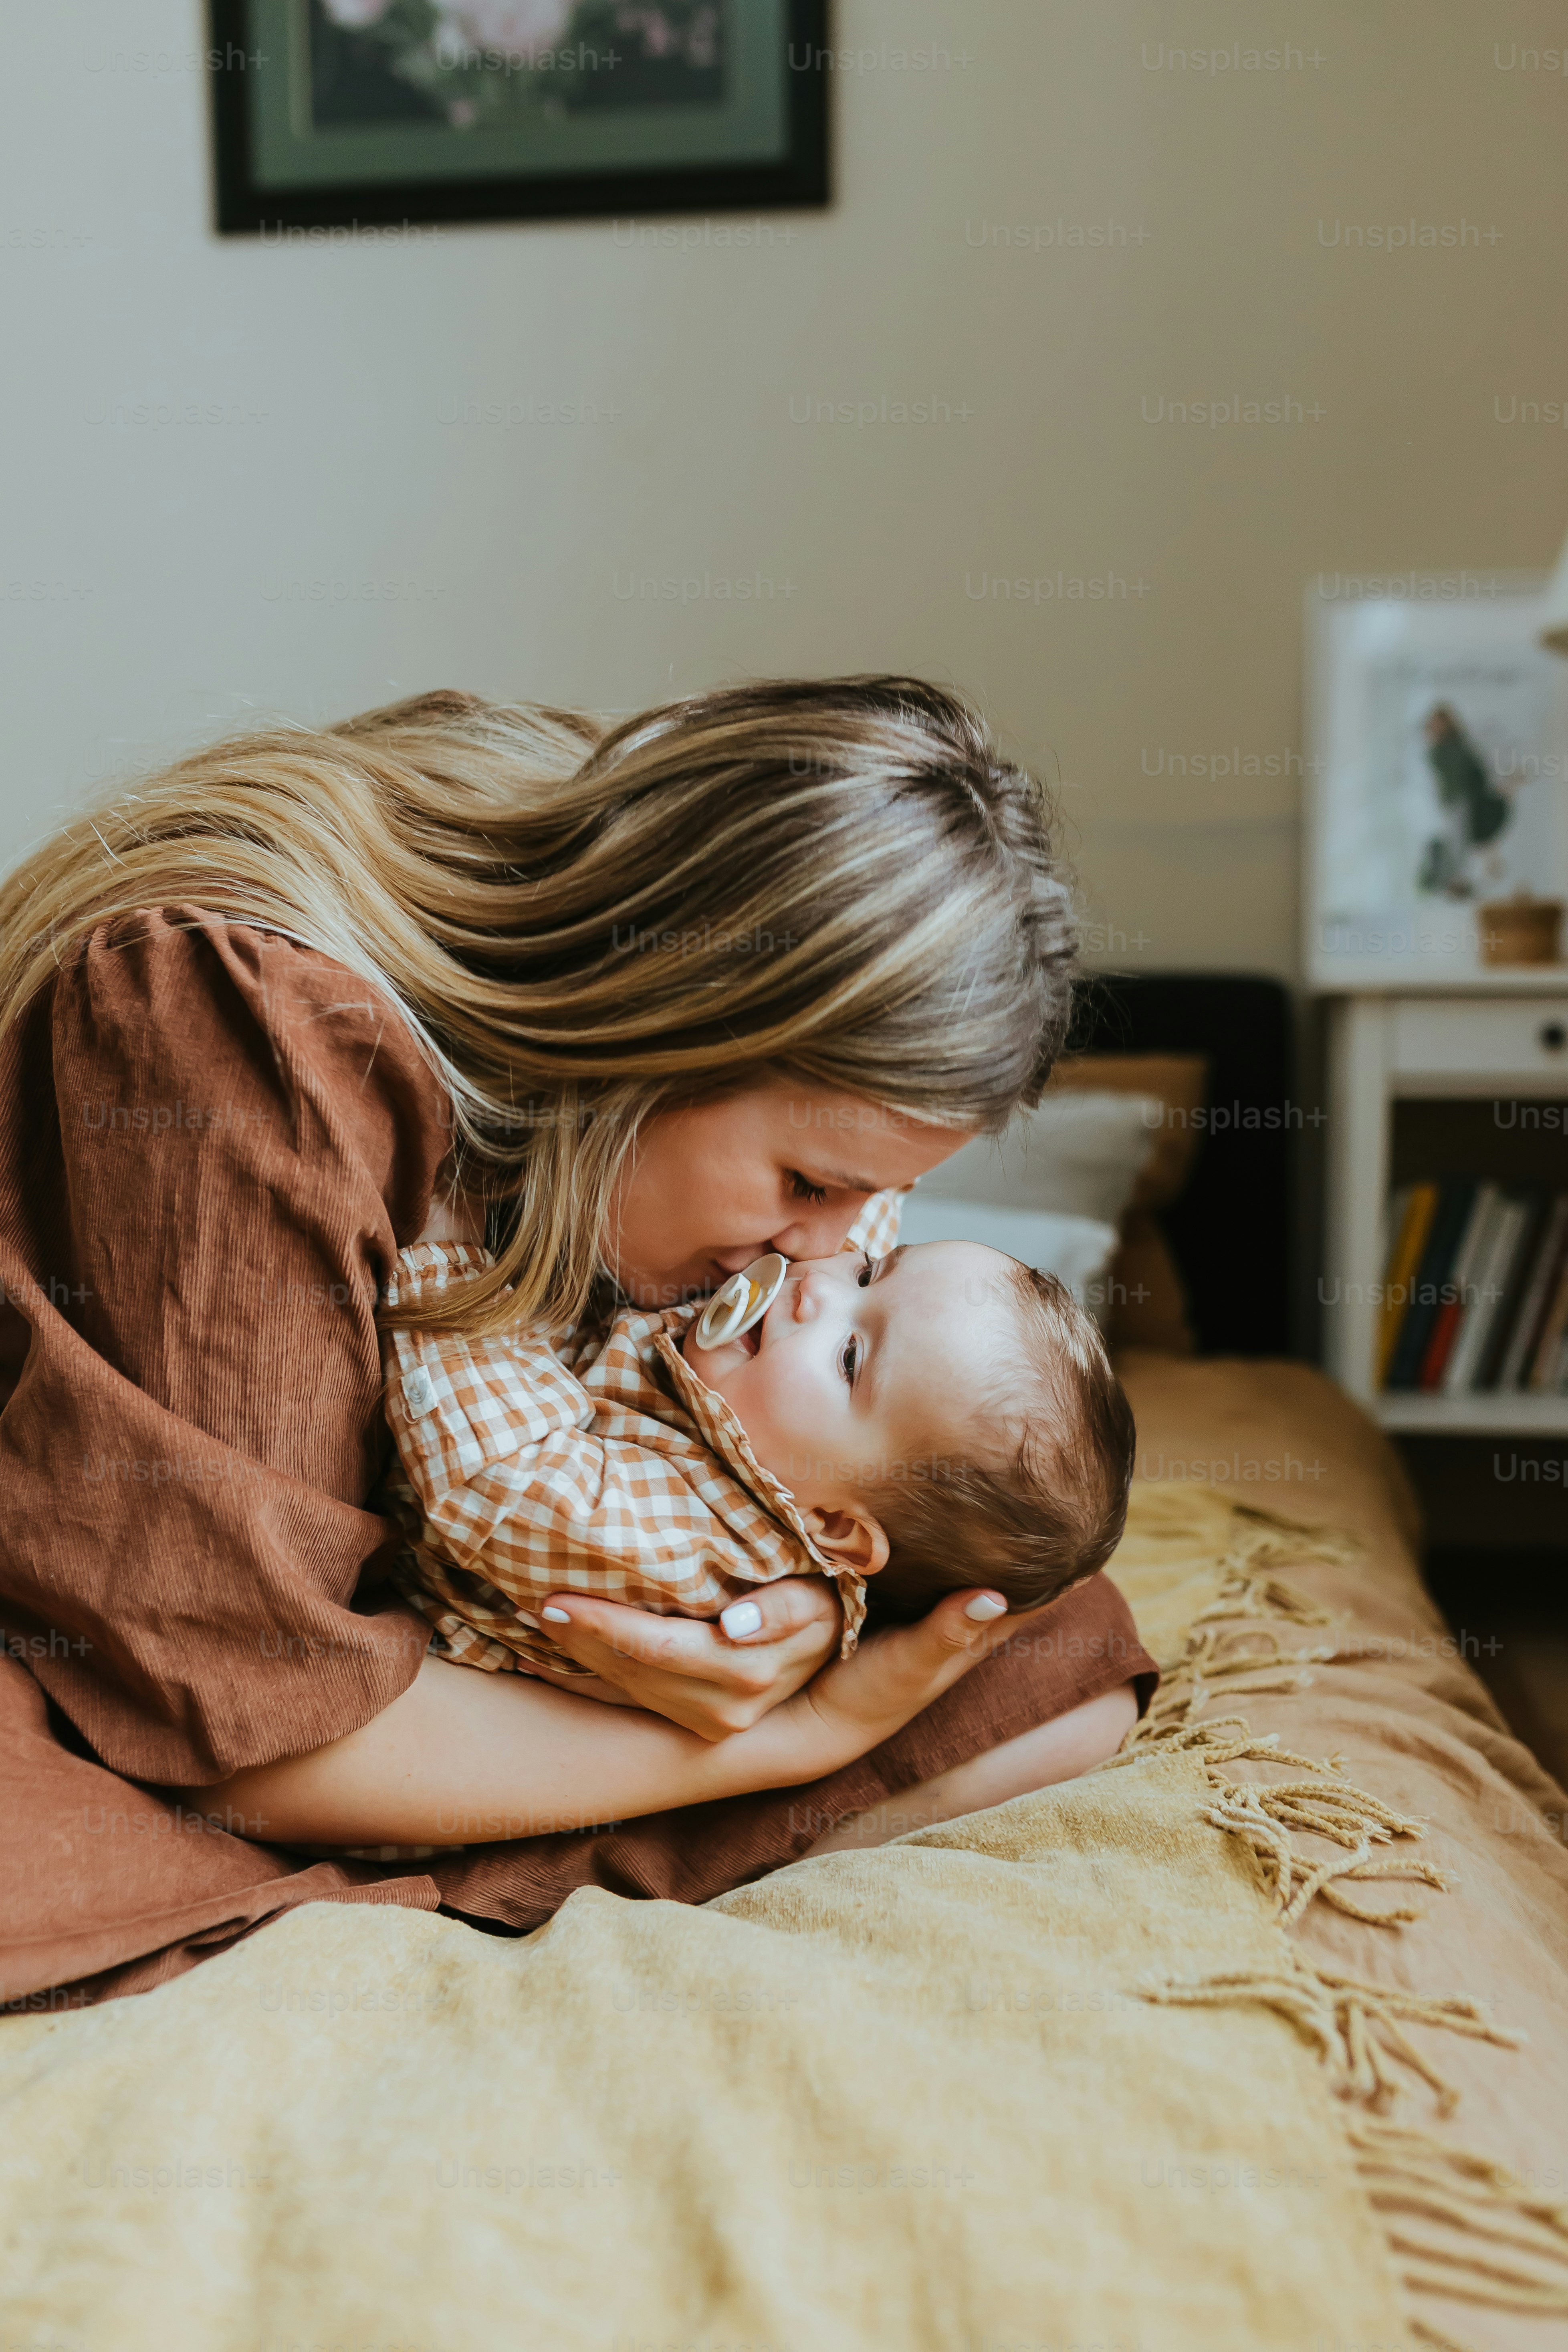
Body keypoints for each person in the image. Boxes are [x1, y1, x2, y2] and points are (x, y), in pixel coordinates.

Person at [0, 678, 1156, 2003]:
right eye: (807, 1183)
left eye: (877, 1215)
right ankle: (481, 1825)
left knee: (1039, 1634)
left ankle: (494, 1800)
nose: (825, 1258)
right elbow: (246, 1720)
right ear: (666, 1022)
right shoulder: (238, 1033)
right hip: (145, 1659)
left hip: (393, 1659)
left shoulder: (648, 1074)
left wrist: (781, 1593)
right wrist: (782, 1736)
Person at [378, 1236, 1134, 1735]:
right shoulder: (752, 1400)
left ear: (834, 1526)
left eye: (849, 1358)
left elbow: (498, 1477)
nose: (813, 1288)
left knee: (1088, 1683)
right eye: (870, 1269)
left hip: (441, 1724)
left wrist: (448, 1269)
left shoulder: (702, 1543)